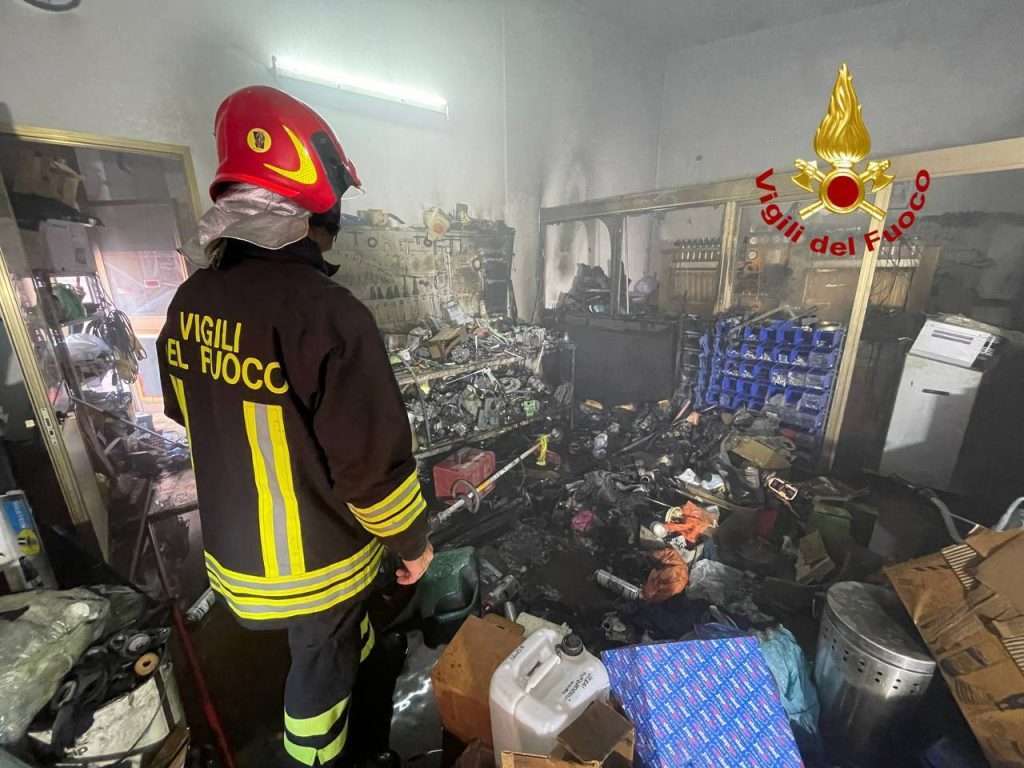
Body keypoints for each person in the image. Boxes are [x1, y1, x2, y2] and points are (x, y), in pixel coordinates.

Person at [157, 85, 433, 768]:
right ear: (315, 206)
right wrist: (413, 546)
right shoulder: (329, 315)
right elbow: (371, 473)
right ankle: (316, 756)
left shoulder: (191, 301)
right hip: (315, 570)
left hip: (233, 560)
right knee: (321, 666)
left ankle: (355, 678)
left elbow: (185, 408)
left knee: (334, 640)